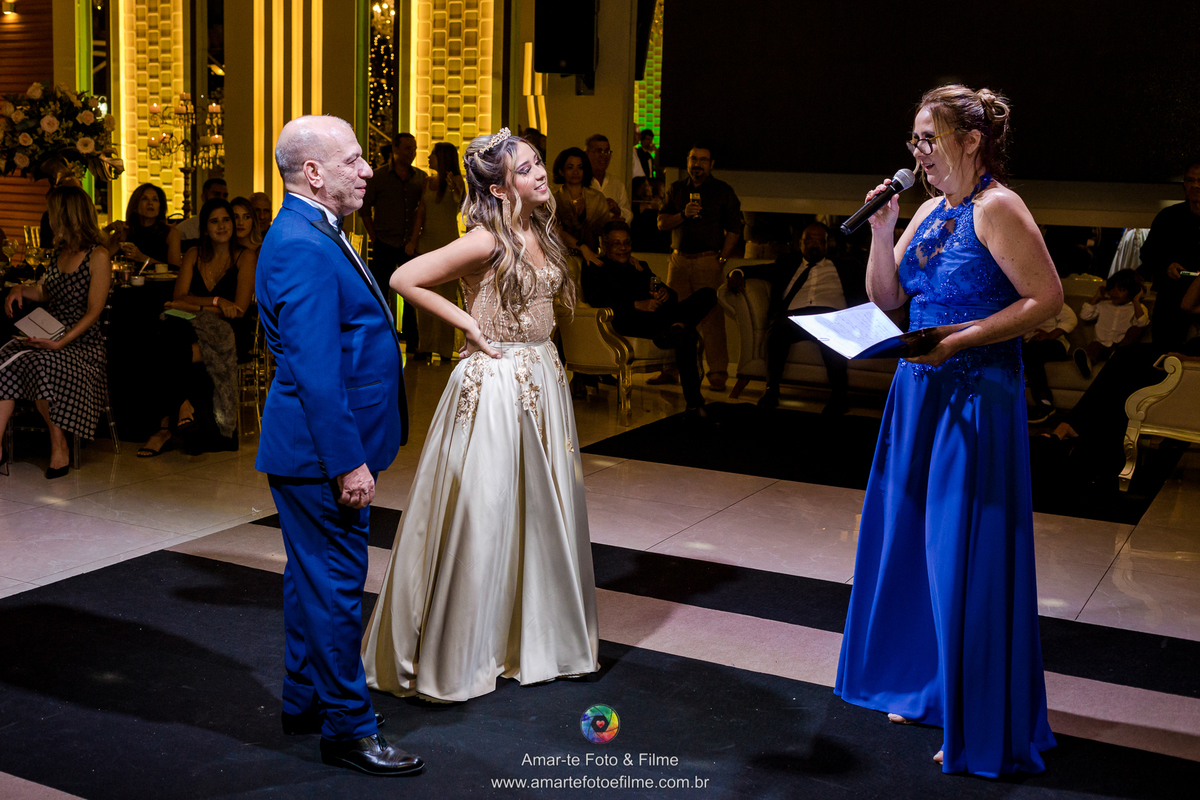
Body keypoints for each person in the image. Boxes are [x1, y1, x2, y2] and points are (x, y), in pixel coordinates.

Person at [834, 85, 1061, 776]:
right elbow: (889, 298)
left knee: (962, 551)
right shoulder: (930, 210)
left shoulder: (999, 208)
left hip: (975, 392)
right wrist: (880, 230)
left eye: (929, 140)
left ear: (971, 140)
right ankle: (926, 683)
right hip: (919, 392)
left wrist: (960, 343)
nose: (919, 155)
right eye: (914, 141)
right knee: (910, 543)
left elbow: (1047, 300)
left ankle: (976, 710)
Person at [363, 128, 600, 704]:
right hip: (495, 383)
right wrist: (466, 323)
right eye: (526, 170)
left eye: (539, 163)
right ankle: (464, 646)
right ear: (498, 187)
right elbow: (402, 277)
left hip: (541, 376)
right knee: (486, 512)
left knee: (536, 510)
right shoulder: (485, 240)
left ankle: (530, 638)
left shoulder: (536, 231)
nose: (541, 174)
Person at [254, 116, 420, 777]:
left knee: (311, 579)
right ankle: (350, 731)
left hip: (318, 445)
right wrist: (348, 460)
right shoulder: (301, 242)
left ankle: (305, 699)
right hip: (320, 452)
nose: (368, 169)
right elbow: (315, 369)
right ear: (314, 173)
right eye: (354, 160)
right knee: (334, 586)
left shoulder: (315, 229)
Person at [0, 186, 112, 478]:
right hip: (52, 334)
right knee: (4, 358)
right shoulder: (60, 252)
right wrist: (19, 288)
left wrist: (60, 342)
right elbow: (47, 292)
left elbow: (94, 311)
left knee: (41, 363)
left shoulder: (98, 255)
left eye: (52, 211)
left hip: (81, 345)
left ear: (66, 215)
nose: (47, 217)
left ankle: (59, 445)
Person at [136, 198, 257, 457]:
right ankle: (183, 411)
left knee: (167, 349)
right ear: (204, 228)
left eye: (226, 220)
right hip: (194, 328)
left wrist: (198, 306)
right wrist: (215, 302)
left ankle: (166, 425)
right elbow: (179, 296)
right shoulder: (193, 254)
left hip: (232, 332)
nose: (222, 226)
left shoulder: (245, 257)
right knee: (171, 333)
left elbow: (238, 310)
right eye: (214, 221)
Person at [584, 220, 715, 417]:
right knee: (686, 337)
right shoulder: (596, 268)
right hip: (630, 322)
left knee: (708, 294)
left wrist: (664, 293)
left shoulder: (639, 266)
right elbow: (597, 301)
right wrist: (636, 305)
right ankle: (694, 403)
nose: (623, 248)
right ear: (605, 245)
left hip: (660, 318)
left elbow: (672, 296)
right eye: (617, 243)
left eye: (626, 243)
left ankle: (675, 329)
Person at [727, 222, 852, 414]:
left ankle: (839, 396)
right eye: (809, 239)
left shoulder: (844, 266)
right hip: (795, 317)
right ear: (800, 244)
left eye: (820, 240)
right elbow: (756, 270)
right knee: (778, 326)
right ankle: (771, 390)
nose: (815, 244)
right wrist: (736, 272)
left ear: (827, 245)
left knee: (832, 329)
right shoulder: (786, 263)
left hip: (830, 316)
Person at [656, 144, 742, 391]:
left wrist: (722, 260)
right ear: (688, 161)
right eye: (694, 159)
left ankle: (717, 373)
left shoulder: (722, 191)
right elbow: (661, 223)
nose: (697, 164)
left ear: (711, 164)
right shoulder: (676, 189)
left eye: (703, 160)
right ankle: (671, 369)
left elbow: (735, 230)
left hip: (708, 261)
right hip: (678, 261)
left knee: (712, 319)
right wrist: (683, 214)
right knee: (673, 315)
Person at [361, 131, 427, 350]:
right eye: (408, 148)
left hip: (410, 245)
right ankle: (382, 340)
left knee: (412, 294)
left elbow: (424, 210)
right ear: (396, 149)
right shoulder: (378, 177)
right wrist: (374, 236)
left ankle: (414, 341)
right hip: (385, 243)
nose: (412, 153)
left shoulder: (420, 178)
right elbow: (364, 209)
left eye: (414, 148)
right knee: (381, 293)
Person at [406, 141, 465, 360]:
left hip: (448, 245)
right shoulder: (427, 181)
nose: (429, 158)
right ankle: (425, 345)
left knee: (447, 298)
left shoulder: (458, 181)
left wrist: (453, 185)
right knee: (425, 295)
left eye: (433, 155)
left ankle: (444, 348)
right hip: (427, 243)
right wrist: (413, 240)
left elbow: (461, 204)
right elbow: (420, 212)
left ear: (444, 158)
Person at [1138, 162, 1200, 352]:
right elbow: (1147, 254)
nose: (1196, 185)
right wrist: (1166, 266)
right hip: (1171, 297)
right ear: (1184, 184)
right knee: (1163, 354)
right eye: (1191, 180)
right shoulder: (1168, 217)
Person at [1072, 268, 1148, 377]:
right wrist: (1097, 296)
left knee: (1135, 330)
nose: (1114, 293)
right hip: (1102, 346)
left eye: (1121, 290)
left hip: (1121, 347)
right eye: (1112, 289)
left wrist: (1136, 300)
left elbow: (1141, 323)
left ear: (1132, 292)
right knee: (1093, 346)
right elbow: (1085, 315)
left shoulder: (1137, 308)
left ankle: (1117, 357)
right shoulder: (1103, 304)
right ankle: (1087, 363)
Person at [1022, 293, 1077, 423]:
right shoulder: (1019, 304)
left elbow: (1071, 318)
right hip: (1029, 345)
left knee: (1031, 351)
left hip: (1055, 344)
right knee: (1026, 352)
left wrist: (1051, 335)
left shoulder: (1050, 301)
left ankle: (1044, 402)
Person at [552, 147, 609, 268]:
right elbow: (555, 230)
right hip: (560, 261)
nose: (575, 172)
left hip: (594, 260)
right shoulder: (553, 200)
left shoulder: (597, 198)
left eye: (580, 167)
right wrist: (581, 246)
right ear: (561, 171)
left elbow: (606, 231)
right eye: (570, 167)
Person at [105, 182, 182, 268]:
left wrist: (143, 258)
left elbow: (175, 269)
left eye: (155, 200)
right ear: (135, 206)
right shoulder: (127, 230)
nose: (150, 203)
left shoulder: (170, 233)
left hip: (159, 281)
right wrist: (108, 230)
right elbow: (103, 258)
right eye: (144, 199)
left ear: (160, 207)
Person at [585, 134, 632, 223]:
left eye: (607, 151)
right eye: (599, 151)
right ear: (587, 154)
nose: (604, 156)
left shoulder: (617, 184)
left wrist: (617, 211)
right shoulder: (580, 182)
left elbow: (629, 215)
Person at [176, 177, 229, 244]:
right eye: (216, 195)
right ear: (204, 197)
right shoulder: (185, 229)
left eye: (225, 195)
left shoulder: (231, 227)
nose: (221, 199)